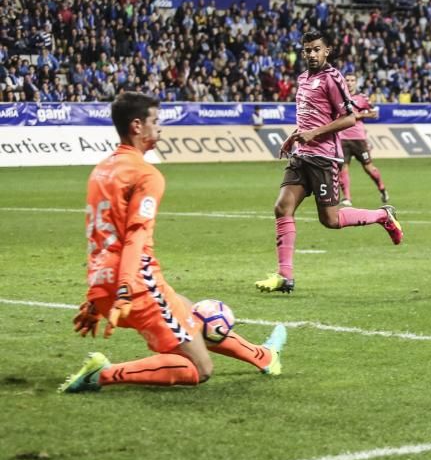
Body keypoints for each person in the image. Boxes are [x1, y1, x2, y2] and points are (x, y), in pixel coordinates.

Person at [60, 92, 287, 394]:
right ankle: (104, 374)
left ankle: (263, 357)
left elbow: (101, 234)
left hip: (105, 281)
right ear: (138, 126)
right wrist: (126, 288)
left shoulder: (102, 169)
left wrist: (97, 296)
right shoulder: (145, 174)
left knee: (191, 313)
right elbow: (135, 235)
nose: (161, 128)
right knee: (199, 369)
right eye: (156, 121)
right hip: (137, 284)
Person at [255, 31, 403, 294]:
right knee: (282, 207)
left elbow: (349, 118)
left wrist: (314, 134)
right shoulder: (302, 79)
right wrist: (293, 137)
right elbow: (308, 118)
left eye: (316, 49)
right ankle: (285, 276)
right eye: (307, 50)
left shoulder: (333, 78)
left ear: (327, 51)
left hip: (324, 157)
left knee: (331, 220)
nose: (311, 54)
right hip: (302, 155)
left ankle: (383, 215)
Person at [338, 71, 390, 206]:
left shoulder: (362, 98)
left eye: (352, 80)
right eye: (347, 80)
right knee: (343, 168)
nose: (349, 83)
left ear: (356, 82)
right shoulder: (338, 97)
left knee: (368, 168)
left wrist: (360, 115)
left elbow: (374, 114)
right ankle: (347, 197)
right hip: (342, 137)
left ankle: (382, 188)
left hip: (358, 138)